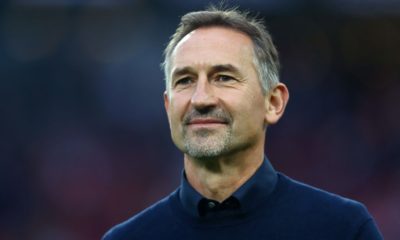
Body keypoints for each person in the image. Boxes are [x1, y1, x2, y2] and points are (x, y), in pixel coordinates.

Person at [103, 6, 383, 240]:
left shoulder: (342, 229)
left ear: (273, 103)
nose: (200, 99)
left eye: (224, 77)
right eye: (185, 80)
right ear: (168, 107)